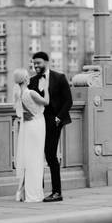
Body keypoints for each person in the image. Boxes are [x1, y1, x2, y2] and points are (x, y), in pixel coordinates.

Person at [29, 51, 72, 202]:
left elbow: (68, 101)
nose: (36, 66)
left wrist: (58, 118)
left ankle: (57, 192)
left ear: (46, 62)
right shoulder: (32, 81)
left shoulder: (59, 78)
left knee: (50, 155)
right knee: (36, 156)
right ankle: (37, 190)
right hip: (38, 122)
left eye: (38, 63)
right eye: (34, 63)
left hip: (54, 121)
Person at [12, 68, 49, 203]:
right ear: (26, 79)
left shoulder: (18, 95)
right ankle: (33, 193)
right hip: (37, 125)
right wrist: (46, 89)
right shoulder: (31, 93)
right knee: (36, 159)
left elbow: (19, 112)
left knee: (28, 158)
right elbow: (46, 102)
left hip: (27, 127)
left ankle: (21, 191)